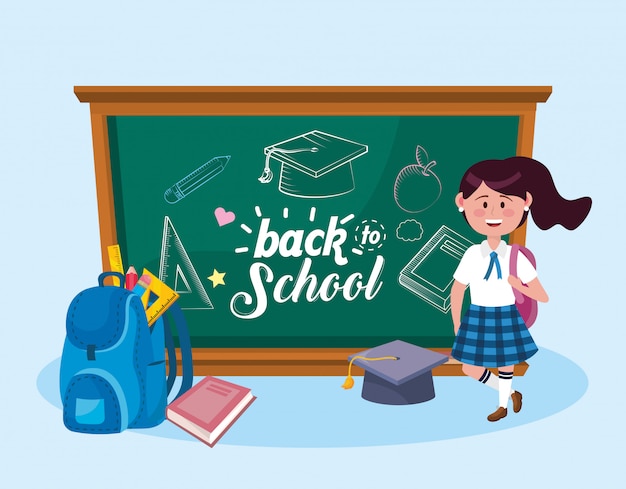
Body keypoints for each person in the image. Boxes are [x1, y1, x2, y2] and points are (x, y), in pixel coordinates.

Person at [450, 156, 591, 421]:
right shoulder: (472, 254)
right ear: (462, 203)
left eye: (504, 205)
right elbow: (458, 289)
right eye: (483, 204)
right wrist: (457, 323)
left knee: (506, 365)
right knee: (469, 367)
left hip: (504, 314)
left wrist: (518, 285)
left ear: (524, 203)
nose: (493, 214)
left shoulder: (516, 258)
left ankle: (502, 405)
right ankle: (513, 393)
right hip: (478, 314)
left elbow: (542, 295)